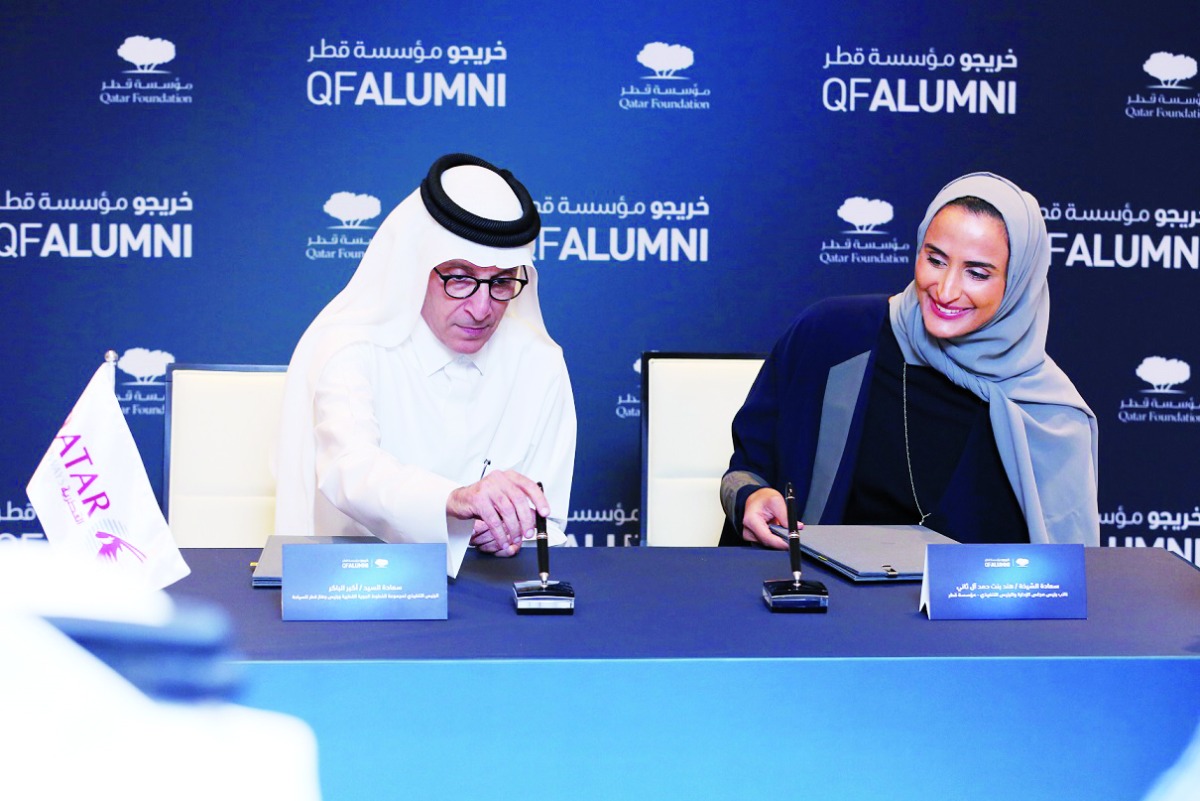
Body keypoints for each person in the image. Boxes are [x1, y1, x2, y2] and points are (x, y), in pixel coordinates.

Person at [720, 172, 1099, 548]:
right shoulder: (830, 336)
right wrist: (751, 498)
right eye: (935, 260)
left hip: (976, 609)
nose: (947, 290)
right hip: (827, 602)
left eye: (977, 273)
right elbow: (744, 471)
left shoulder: (1050, 413)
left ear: (1017, 283)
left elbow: (1061, 573)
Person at [275, 153, 576, 577]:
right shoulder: (350, 347)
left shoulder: (540, 362)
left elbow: (544, 516)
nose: (481, 307)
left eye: (502, 281)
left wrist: (510, 528)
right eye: (459, 277)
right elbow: (350, 467)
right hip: (356, 590)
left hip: (493, 599)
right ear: (417, 267)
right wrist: (455, 501)